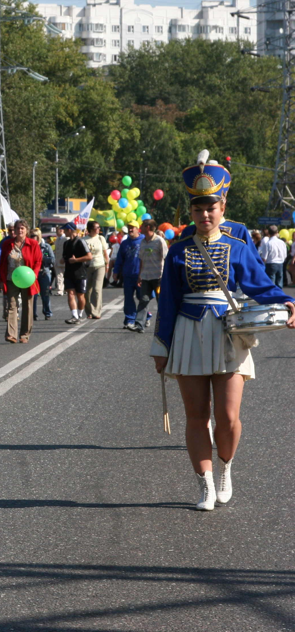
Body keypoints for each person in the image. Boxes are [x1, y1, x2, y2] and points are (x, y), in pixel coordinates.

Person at [151, 151, 295, 511]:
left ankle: (226, 468)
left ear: (222, 205)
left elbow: (262, 285)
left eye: (210, 208)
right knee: (197, 416)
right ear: (192, 210)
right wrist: (161, 345)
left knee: (228, 417)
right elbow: (168, 300)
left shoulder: (239, 246)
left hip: (229, 335)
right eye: (198, 209)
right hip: (187, 334)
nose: (204, 215)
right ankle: (205, 485)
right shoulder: (179, 251)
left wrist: (288, 302)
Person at [0, 220, 43, 343]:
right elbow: (2, 263)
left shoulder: (33, 244)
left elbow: (38, 261)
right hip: (11, 278)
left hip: (27, 279)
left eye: (22, 228)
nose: (20, 230)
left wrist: (35, 273)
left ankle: (24, 335)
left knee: (27, 306)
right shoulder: (7, 244)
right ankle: (11, 334)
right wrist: (1, 279)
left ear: (26, 230)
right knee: (12, 306)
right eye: (18, 228)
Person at [129, 219, 168, 333]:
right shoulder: (143, 241)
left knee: (161, 301)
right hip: (146, 277)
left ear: (148, 227)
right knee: (143, 300)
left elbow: (166, 258)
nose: (140, 228)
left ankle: (164, 325)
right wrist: (140, 275)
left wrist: (166, 276)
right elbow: (141, 260)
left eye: (143, 226)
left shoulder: (159, 241)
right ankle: (139, 325)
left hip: (158, 277)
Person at [113, 223, 144, 329]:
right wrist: (116, 272)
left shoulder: (144, 240)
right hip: (128, 275)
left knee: (143, 298)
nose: (130, 230)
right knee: (128, 298)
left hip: (141, 275)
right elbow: (119, 259)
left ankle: (145, 316)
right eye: (129, 228)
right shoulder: (124, 243)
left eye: (132, 228)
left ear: (137, 229)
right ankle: (130, 319)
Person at [63, 223, 91, 324]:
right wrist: (64, 260)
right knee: (70, 293)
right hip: (69, 272)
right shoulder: (66, 243)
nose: (63, 232)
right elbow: (65, 257)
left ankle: (80, 314)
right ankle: (74, 316)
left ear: (69, 230)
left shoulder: (81, 242)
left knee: (80, 296)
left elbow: (89, 256)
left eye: (65, 230)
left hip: (80, 272)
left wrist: (76, 260)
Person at [82, 221, 109, 318]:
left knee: (97, 289)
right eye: (96, 227)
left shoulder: (101, 238)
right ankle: (89, 311)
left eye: (99, 227)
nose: (99, 229)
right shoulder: (84, 240)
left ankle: (96, 312)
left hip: (99, 265)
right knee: (87, 290)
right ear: (91, 229)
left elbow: (105, 253)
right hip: (87, 267)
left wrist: (107, 265)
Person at [31, 228, 53, 320]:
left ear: (38, 237)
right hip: (32, 273)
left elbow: (52, 260)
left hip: (44, 272)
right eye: (31, 236)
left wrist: (42, 258)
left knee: (45, 294)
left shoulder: (46, 246)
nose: (32, 238)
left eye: (33, 236)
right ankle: (33, 314)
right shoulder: (29, 246)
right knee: (33, 295)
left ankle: (47, 312)